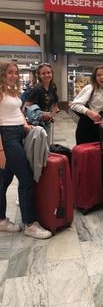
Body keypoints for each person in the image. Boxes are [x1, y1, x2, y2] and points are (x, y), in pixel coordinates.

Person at [0, 61, 52, 239]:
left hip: (19, 133)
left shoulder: (12, 91)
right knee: (26, 178)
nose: (14, 76)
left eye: (16, 72)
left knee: (3, 181)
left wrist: (25, 124)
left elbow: (19, 112)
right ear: (2, 74)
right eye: (10, 73)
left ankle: (1, 220)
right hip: (7, 138)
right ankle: (30, 223)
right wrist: (0, 150)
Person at [70, 65, 103, 144]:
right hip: (85, 126)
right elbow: (74, 105)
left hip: (99, 127)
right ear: (95, 77)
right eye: (99, 75)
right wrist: (90, 113)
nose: (102, 77)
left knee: (99, 153)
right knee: (85, 154)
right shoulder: (90, 88)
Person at [24, 63, 59, 139]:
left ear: (52, 73)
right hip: (36, 125)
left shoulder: (52, 88)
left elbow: (55, 105)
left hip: (47, 124)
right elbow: (26, 107)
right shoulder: (36, 90)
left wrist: (50, 116)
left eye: (48, 72)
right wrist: (40, 115)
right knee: (39, 148)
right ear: (39, 75)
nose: (46, 75)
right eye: (43, 73)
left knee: (46, 147)